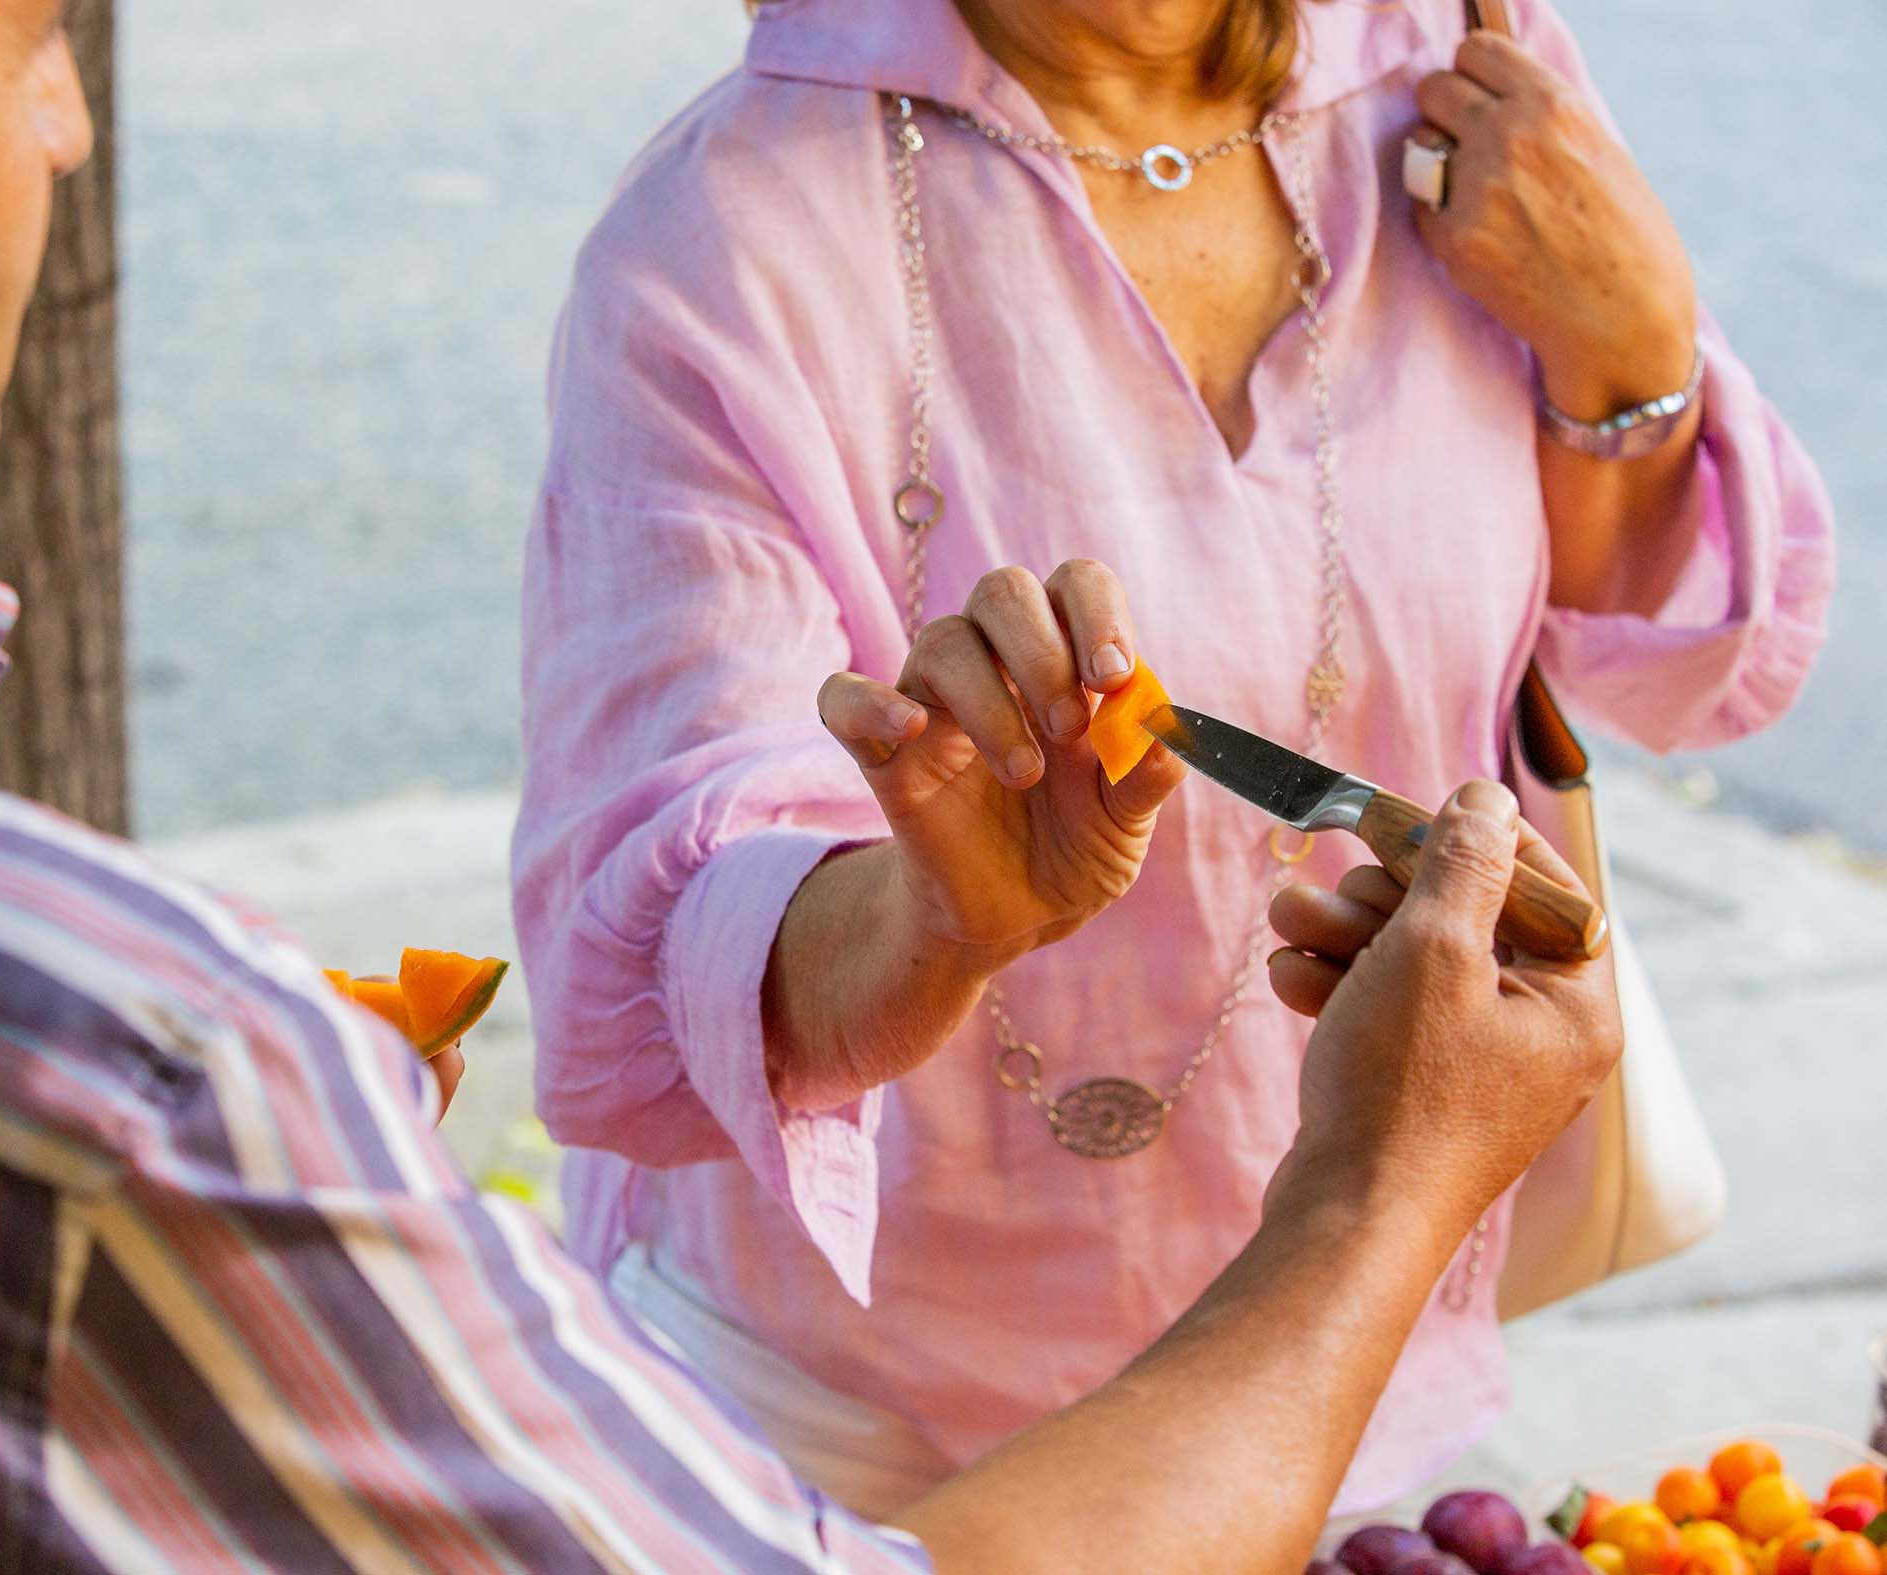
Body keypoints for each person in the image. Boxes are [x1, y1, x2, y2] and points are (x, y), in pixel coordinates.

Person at [0, 1, 1630, 1570]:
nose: (71, 121)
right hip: (893, 1440)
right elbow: (663, 917)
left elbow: (1672, 622)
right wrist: (1369, 1192)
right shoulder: (122, 1068)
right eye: (22, 46)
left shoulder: (1457, 91)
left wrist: (1635, 371)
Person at [513, 0, 1834, 1517]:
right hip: (852, 1431)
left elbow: (1689, 668)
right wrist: (938, 914)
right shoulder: (729, 236)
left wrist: (1632, 352)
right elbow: (668, 948)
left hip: (1357, 1353)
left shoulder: (1449, 66)